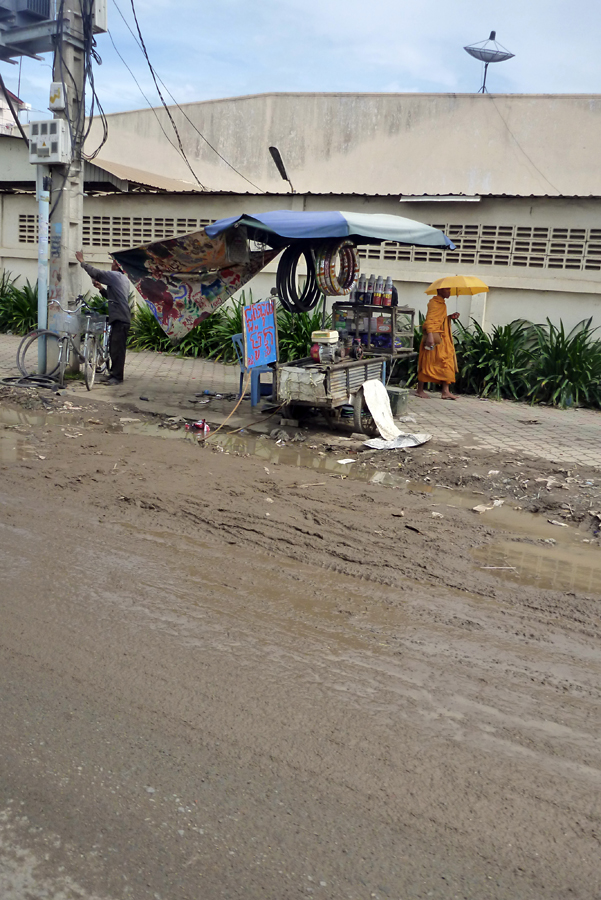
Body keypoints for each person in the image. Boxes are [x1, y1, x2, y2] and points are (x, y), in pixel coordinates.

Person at [76, 251, 132, 385]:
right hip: (120, 317)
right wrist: (101, 288)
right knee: (114, 348)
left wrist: (82, 262)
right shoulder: (122, 279)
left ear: (117, 266)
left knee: (118, 350)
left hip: (120, 318)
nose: (111, 265)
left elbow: (97, 273)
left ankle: (117, 377)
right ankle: (113, 374)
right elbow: (110, 297)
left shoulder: (116, 276)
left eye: (113, 262)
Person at [416, 287, 460, 400]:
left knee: (448, 361)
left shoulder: (442, 304)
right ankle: (419, 390)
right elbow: (430, 320)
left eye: (449, 290)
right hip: (434, 337)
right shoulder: (434, 303)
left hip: (443, 339)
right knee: (427, 362)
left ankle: (445, 391)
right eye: (447, 290)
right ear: (440, 290)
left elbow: (440, 319)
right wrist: (430, 335)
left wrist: (450, 317)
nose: (449, 292)